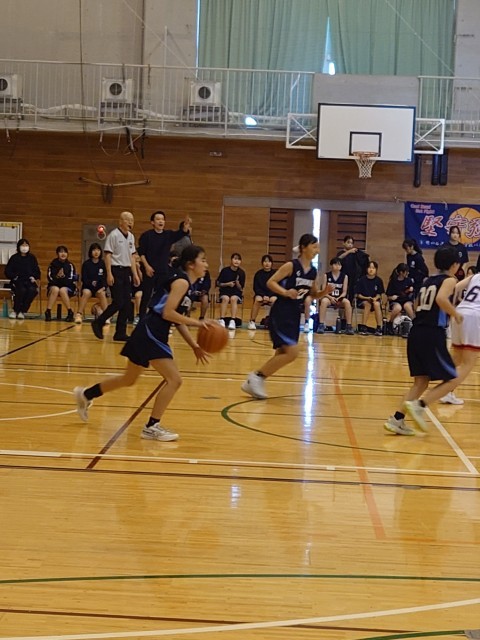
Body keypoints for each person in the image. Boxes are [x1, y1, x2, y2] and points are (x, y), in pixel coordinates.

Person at [74, 245, 213, 441]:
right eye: (203, 260)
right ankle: (151, 426)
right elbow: (168, 313)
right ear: (191, 264)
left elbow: (177, 319)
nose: (206, 265)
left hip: (148, 331)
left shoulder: (186, 285)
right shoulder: (181, 282)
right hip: (152, 332)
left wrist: (194, 346)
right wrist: (198, 323)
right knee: (174, 380)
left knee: (128, 379)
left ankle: (87, 394)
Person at [241, 233, 334, 400]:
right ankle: (256, 377)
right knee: (292, 352)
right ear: (304, 247)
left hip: (294, 314)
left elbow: (312, 295)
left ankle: (255, 381)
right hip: (281, 312)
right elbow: (271, 282)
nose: (317, 250)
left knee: (282, 353)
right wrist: (285, 292)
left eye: (318, 247)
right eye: (314, 246)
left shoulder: (312, 272)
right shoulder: (291, 266)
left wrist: (324, 292)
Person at [384, 245, 462, 436]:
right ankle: (420, 405)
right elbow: (442, 299)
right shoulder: (450, 280)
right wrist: (456, 314)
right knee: (453, 378)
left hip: (416, 331)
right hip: (431, 333)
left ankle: (396, 419)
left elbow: (417, 303)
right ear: (454, 265)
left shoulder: (428, 281)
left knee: (421, 382)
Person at [91, 211, 140, 342]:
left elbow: (132, 257)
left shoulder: (131, 237)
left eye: (132, 220)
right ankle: (99, 322)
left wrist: (135, 274)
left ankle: (120, 333)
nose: (130, 222)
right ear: (120, 221)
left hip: (126, 271)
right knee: (118, 302)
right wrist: (109, 273)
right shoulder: (113, 235)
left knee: (127, 304)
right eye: (127, 219)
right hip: (115, 270)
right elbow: (108, 255)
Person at [137, 211, 191, 319]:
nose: (160, 221)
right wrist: (147, 266)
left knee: (161, 295)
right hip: (149, 270)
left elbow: (179, 234)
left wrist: (185, 228)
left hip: (163, 271)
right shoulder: (146, 236)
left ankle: (158, 318)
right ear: (152, 222)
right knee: (146, 296)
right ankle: (142, 319)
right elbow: (141, 253)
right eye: (158, 219)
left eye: (162, 219)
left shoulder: (168, 235)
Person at [316, 257, 354, 335]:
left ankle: (349, 326)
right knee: (323, 301)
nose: (337, 266)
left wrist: (339, 298)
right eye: (335, 264)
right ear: (331, 265)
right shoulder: (326, 275)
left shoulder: (345, 276)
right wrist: (331, 298)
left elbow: (344, 292)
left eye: (339, 265)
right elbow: (323, 290)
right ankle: (321, 324)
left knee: (347, 302)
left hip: (339, 298)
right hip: (329, 297)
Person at [4, 238, 40, 319]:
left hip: (29, 281)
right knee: (21, 290)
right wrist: (14, 276)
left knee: (32, 290)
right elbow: (7, 271)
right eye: (22, 245)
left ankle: (22, 311)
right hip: (17, 281)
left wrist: (34, 277)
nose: (24, 247)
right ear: (19, 247)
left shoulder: (32, 258)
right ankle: (15, 310)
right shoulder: (14, 258)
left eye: (26, 245)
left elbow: (37, 271)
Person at [75, 243, 108, 324]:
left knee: (102, 293)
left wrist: (103, 287)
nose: (96, 252)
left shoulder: (103, 264)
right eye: (94, 250)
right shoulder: (86, 264)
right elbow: (84, 278)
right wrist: (91, 284)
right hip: (88, 287)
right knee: (86, 293)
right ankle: (79, 314)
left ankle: (106, 316)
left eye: (98, 250)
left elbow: (105, 278)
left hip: (99, 288)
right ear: (90, 252)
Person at [45, 245, 76, 322]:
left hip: (67, 286)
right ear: (57, 254)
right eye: (61, 252)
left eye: (65, 252)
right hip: (54, 285)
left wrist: (62, 277)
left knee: (62, 290)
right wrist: (58, 277)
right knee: (56, 289)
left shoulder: (70, 265)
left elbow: (70, 279)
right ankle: (48, 311)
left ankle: (70, 312)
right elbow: (50, 278)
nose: (63, 254)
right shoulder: (53, 264)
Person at [354, 260, 385, 336]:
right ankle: (363, 326)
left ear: (376, 270)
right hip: (363, 300)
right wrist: (366, 298)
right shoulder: (362, 280)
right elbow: (358, 295)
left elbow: (379, 294)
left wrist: (375, 298)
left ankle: (379, 327)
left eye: (373, 268)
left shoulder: (378, 280)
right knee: (367, 304)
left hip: (374, 300)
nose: (371, 269)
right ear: (367, 269)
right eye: (370, 267)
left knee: (377, 304)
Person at [216, 252, 246, 330]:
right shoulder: (225, 270)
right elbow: (218, 283)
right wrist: (227, 284)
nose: (237, 261)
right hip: (225, 291)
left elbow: (241, 288)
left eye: (238, 259)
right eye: (235, 259)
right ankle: (222, 319)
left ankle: (233, 320)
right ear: (231, 260)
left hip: (236, 293)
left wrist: (238, 284)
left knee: (233, 299)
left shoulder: (241, 273)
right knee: (225, 298)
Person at [248, 254, 277, 330]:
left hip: (272, 294)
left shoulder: (275, 274)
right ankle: (252, 321)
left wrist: (269, 296)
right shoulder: (258, 274)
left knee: (275, 300)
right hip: (260, 294)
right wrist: (263, 295)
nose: (267, 263)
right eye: (265, 261)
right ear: (262, 263)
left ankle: (274, 322)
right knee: (257, 300)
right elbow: (256, 287)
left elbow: (276, 286)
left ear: (271, 263)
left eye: (269, 261)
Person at [336, 235, 370, 301]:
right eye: (348, 242)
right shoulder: (341, 253)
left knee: (351, 293)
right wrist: (349, 251)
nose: (350, 244)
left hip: (353, 277)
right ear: (343, 243)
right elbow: (338, 259)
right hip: (342, 276)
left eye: (351, 243)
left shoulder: (354, 253)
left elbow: (364, 257)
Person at [385, 263, 415, 335]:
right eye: (406, 272)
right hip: (396, 301)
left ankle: (415, 324)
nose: (408, 273)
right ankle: (390, 323)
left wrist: (411, 290)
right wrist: (392, 297)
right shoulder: (393, 282)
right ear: (401, 272)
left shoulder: (409, 281)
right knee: (398, 308)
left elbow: (412, 295)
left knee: (407, 306)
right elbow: (388, 297)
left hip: (407, 301)